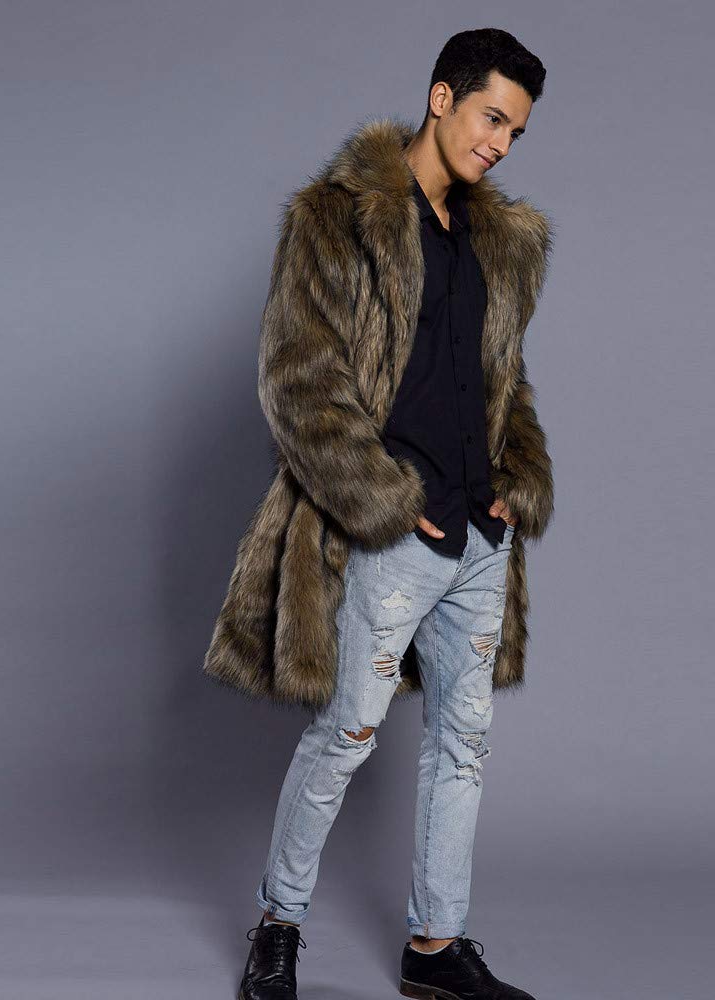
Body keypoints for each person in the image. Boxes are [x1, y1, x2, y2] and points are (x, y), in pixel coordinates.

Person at [203, 27, 556, 1000]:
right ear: (442, 98)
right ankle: (278, 926)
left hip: (480, 538)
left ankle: (435, 948)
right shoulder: (336, 217)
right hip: (392, 532)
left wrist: (516, 478)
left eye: (516, 132)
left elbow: (506, 380)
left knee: (463, 745)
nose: (500, 144)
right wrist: (384, 502)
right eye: (492, 118)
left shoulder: (497, 242)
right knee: (345, 735)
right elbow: (296, 382)